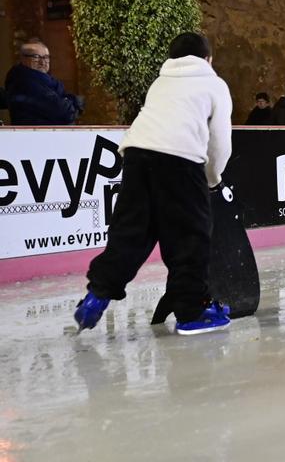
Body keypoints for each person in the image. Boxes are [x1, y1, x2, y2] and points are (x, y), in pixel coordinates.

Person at [74, 32, 234, 335]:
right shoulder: (215, 84)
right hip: (182, 160)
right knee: (189, 237)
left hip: (136, 154)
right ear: (208, 59)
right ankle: (191, 311)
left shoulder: (160, 83)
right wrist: (212, 179)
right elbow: (220, 144)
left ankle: (96, 295)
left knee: (132, 232)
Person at [4, 39, 83, 125]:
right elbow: (64, 113)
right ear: (23, 59)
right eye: (36, 57)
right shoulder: (24, 83)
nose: (42, 62)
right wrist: (74, 101)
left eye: (46, 57)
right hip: (36, 137)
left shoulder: (49, 83)